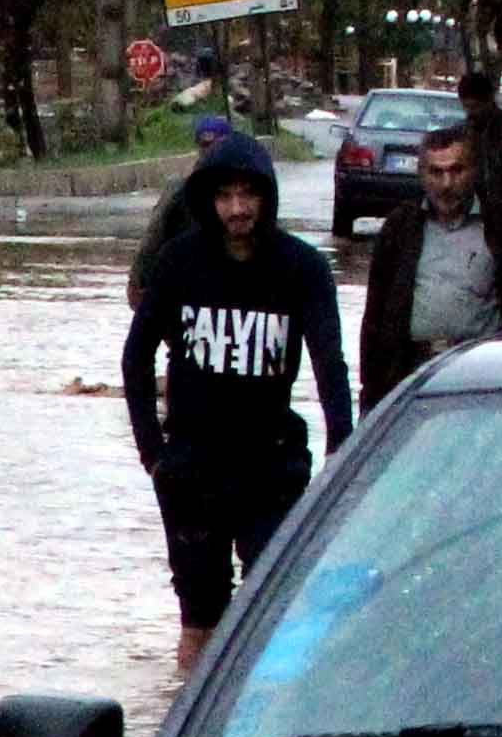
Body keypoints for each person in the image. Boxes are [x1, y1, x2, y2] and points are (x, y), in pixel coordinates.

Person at [121, 132, 349, 675]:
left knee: (272, 604)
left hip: (272, 463)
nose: (238, 209)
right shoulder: (179, 263)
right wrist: (152, 451)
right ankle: (188, 730)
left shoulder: (302, 268)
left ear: (268, 197)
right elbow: (136, 357)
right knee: (199, 617)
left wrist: (342, 452)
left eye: (249, 195)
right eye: (225, 196)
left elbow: (329, 366)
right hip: (192, 467)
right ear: (208, 201)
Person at [357, 117, 502, 406]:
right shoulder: (402, 228)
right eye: (436, 173)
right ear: (421, 174)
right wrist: (371, 394)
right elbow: (376, 316)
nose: (446, 184)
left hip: (483, 374)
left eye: (456, 171)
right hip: (412, 372)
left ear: (474, 171)